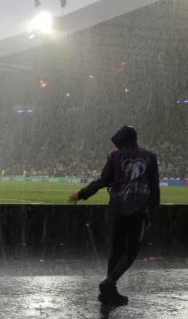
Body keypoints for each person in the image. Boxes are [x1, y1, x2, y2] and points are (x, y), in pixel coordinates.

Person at [68, 126, 160, 306]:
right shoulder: (150, 157)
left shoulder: (115, 157)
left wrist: (81, 194)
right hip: (138, 210)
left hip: (117, 209)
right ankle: (110, 283)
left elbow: (103, 181)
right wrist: (153, 213)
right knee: (131, 251)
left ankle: (109, 293)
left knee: (116, 249)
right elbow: (154, 188)